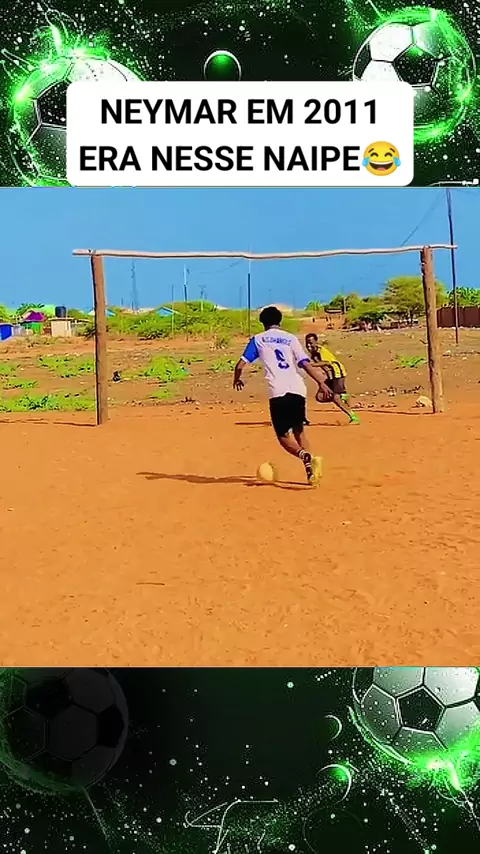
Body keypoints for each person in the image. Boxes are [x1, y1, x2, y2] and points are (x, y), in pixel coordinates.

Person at [233, 306, 331, 486]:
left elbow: (240, 365)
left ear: (263, 322)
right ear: (280, 321)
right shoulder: (291, 338)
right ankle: (311, 471)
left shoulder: (258, 339)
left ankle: (304, 455)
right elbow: (305, 364)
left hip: (278, 391)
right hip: (298, 388)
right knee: (299, 431)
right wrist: (321, 382)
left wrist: (237, 379)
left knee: (283, 436)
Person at [304, 332, 360, 425]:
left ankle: (353, 417)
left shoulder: (320, 351)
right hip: (331, 376)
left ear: (316, 342)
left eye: (311, 343)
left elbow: (327, 362)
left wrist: (311, 365)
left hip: (338, 373)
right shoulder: (313, 354)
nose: (309, 346)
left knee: (335, 398)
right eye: (307, 343)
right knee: (320, 397)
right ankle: (342, 396)